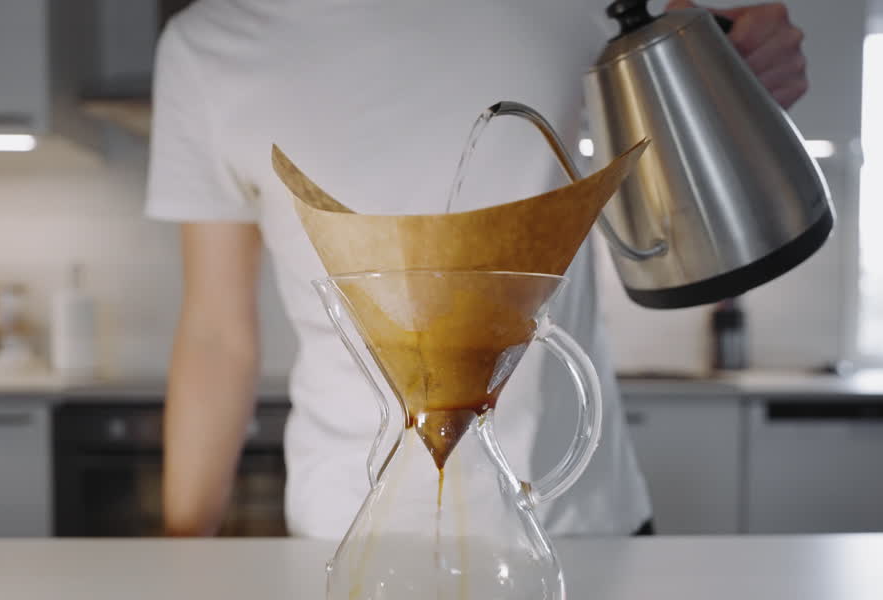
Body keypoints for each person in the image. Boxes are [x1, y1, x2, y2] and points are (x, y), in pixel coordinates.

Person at [146, 0, 809, 539]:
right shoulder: (206, 48)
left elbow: (683, 47)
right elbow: (215, 335)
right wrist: (184, 548)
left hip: (578, 525)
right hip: (348, 532)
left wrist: (741, 58)